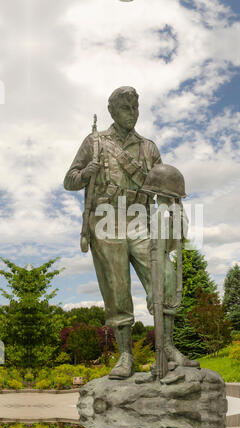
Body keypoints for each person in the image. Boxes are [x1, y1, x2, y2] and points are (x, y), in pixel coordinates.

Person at [64, 86, 198, 379]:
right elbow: (70, 180)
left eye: (136, 108)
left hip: (141, 219)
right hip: (105, 220)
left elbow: (165, 186)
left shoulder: (148, 147)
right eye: (126, 108)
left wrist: (175, 216)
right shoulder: (94, 142)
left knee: (163, 275)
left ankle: (169, 348)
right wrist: (87, 173)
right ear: (113, 111)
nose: (133, 114)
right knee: (116, 289)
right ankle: (125, 356)